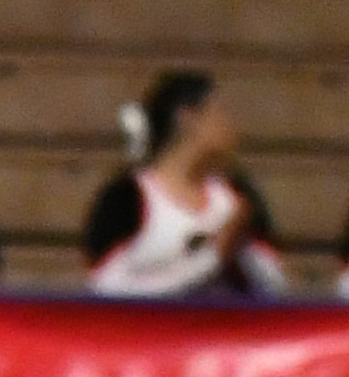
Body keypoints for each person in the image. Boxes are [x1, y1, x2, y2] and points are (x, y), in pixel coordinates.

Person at [84, 71, 283, 299]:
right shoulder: (125, 197)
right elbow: (107, 289)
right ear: (187, 118)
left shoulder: (238, 197)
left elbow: (274, 286)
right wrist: (212, 257)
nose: (231, 127)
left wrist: (241, 252)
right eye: (219, 114)